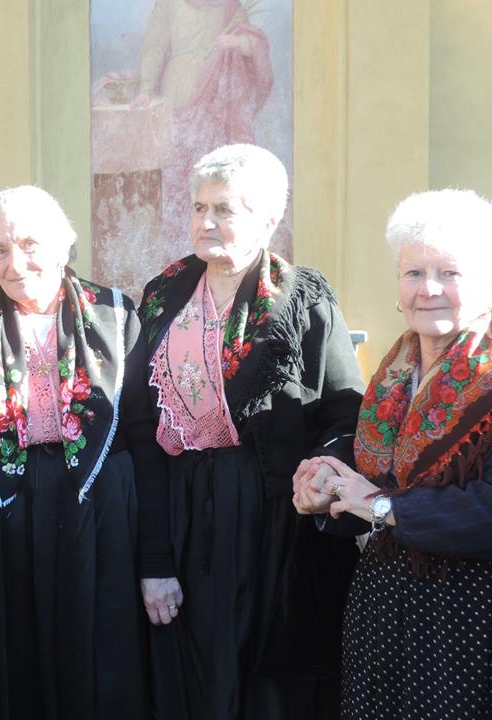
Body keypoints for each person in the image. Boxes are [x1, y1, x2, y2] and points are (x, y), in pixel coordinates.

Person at [293, 189, 492, 719]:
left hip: (489, 619)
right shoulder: (396, 369)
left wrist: (380, 507)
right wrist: (328, 481)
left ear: (491, 280)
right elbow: (376, 468)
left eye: (450, 273)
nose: (428, 289)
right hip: (391, 610)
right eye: (413, 273)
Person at [136, 143, 363, 719]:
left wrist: (322, 477)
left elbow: (344, 411)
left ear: (268, 219)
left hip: (273, 521)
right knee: (193, 671)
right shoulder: (163, 294)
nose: (205, 222)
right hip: (182, 507)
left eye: (225, 209)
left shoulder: (302, 298)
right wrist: (155, 554)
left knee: (267, 684)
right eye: (198, 207)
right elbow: (143, 419)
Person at [0, 185, 160, 720]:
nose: (15, 263)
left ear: (66, 244)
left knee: (102, 647)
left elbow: (143, 429)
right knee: (20, 644)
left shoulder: (114, 313)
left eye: (31, 244)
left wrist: (157, 556)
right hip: (8, 498)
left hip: (100, 500)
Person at [133, 0, 273, 252]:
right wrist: (145, 88)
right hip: (179, 93)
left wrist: (237, 44)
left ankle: (217, 241)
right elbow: (155, 45)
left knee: (215, 175)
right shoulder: (170, 4)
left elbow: (253, 44)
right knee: (178, 173)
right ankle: (177, 246)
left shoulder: (230, 6)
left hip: (219, 101)